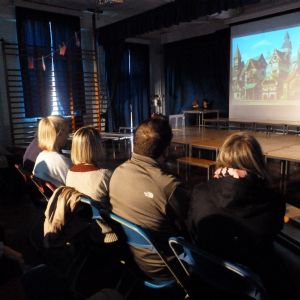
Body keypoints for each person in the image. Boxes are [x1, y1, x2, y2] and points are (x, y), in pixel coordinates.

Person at [187, 132, 293, 299]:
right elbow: (274, 230)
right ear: (257, 162)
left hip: (206, 284)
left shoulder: (199, 191)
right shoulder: (272, 202)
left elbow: (192, 230)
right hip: (246, 289)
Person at [109, 116, 190, 281]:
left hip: (133, 261)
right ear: (166, 150)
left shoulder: (116, 172)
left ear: (135, 143)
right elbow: (193, 226)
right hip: (169, 268)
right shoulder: (168, 186)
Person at [66, 126, 117, 243]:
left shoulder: (69, 173)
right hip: (107, 232)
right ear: (97, 147)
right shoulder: (105, 175)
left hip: (82, 228)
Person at [33, 115, 71, 187]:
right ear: (59, 134)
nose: (68, 136)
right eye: (67, 132)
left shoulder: (41, 156)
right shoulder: (61, 161)